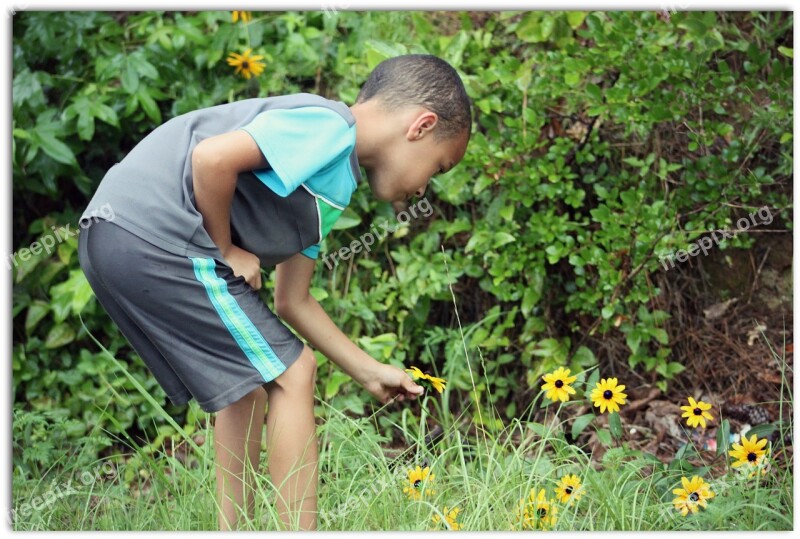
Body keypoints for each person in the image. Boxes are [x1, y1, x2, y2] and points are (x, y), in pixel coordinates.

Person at [77, 53, 471, 530]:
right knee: (293, 373)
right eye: (439, 166)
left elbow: (293, 302)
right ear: (421, 126)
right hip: (151, 231)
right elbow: (211, 158)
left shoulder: (329, 187)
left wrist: (368, 372)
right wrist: (225, 248)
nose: (425, 187)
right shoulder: (329, 127)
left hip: (121, 235)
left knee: (249, 388)